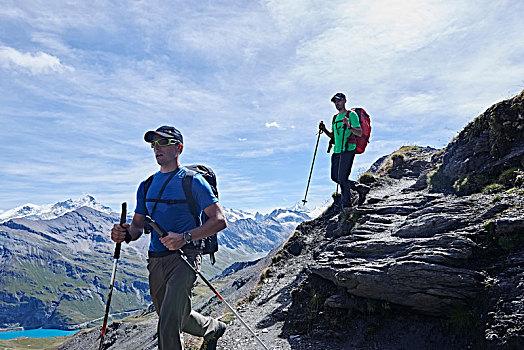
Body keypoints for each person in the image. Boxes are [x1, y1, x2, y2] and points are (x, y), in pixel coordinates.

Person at [111, 125, 227, 350]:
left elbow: (219, 220)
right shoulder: (146, 186)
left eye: (163, 142)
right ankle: (214, 328)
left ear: (179, 148)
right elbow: (136, 226)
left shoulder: (192, 181)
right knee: (177, 317)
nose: (157, 148)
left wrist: (184, 237)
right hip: (156, 260)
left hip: (186, 257)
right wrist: (124, 234)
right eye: (154, 144)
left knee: (167, 324)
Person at [319, 93, 370, 213]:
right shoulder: (335, 118)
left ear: (345, 101)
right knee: (335, 177)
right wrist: (324, 129)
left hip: (348, 149)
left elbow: (359, 132)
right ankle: (360, 188)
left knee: (342, 178)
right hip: (337, 151)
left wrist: (349, 125)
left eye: (339, 101)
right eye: (335, 102)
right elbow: (333, 136)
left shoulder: (351, 115)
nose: (337, 104)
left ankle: (347, 206)